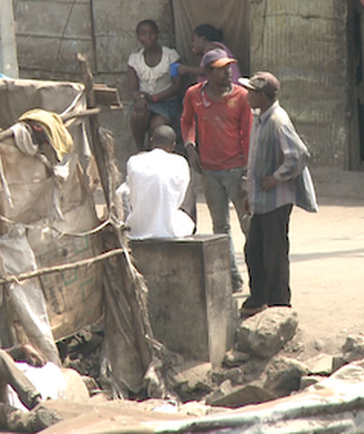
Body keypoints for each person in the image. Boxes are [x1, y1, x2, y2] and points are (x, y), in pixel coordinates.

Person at [238, 71, 318, 318]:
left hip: (276, 200)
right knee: (254, 250)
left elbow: (299, 155)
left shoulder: (278, 121)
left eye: (251, 92)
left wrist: (276, 177)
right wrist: (249, 194)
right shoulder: (261, 119)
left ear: (262, 96)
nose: (247, 96)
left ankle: (279, 303)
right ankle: (259, 296)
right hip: (262, 200)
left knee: (274, 252)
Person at [181, 48, 253, 292]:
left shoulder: (241, 96)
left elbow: (248, 136)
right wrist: (190, 147)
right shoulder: (194, 95)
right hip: (209, 171)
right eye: (221, 69)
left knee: (248, 225)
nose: (227, 72)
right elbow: (187, 121)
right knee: (220, 227)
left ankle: (257, 277)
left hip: (236, 170)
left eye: (228, 67)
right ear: (208, 72)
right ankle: (233, 278)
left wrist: (246, 174)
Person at [121, 125, 196, 239]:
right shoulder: (180, 162)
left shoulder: (134, 161)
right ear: (173, 146)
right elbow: (180, 197)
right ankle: (192, 235)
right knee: (189, 189)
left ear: (151, 142)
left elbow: (131, 193)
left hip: (137, 229)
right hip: (172, 230)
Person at [127, 19, 183, 151]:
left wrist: (156, 98)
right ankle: (140, 149)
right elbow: (133, 89)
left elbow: (177, 85)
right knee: (138, 114)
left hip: (167, 102)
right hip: (145, 102)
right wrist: (140, 99)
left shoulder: (171, 56)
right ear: (139, 37)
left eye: (151, 33)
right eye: (143, 34)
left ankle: (155, 153)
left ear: (157, 34)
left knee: (158, 125)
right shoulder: (134, 60)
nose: (148, 37)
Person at [175, 24, 242, 83]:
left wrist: (185, 69)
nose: (192, 44)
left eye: (193, 40)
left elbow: (205, 71)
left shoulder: (212, 48)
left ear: (202, 39)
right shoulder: (213, 49)